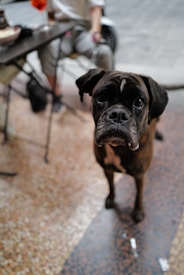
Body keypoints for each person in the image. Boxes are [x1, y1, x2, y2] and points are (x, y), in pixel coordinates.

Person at [38, 0, 114, 112]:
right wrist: (50, 28)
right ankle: (57, 96)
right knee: (45, 50)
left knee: (104, 51)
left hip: (84, 29)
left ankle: (109, 94)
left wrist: (96, 30)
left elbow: (96, 7)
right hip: (61, 30)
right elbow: (50, 13)